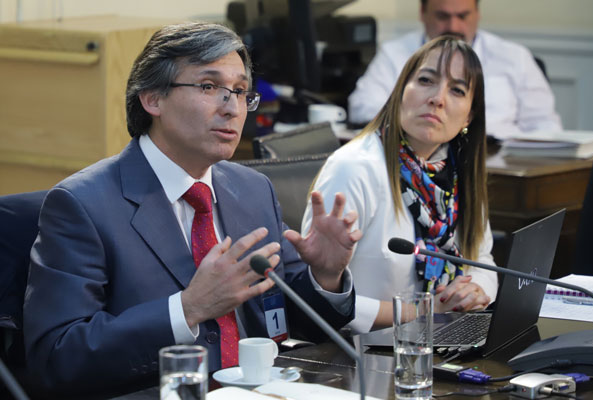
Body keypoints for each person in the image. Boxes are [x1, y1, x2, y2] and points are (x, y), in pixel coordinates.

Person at [23, 22, 361, 397]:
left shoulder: (252, 189)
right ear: (152, 99)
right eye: (209, 86)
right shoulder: (82, 204)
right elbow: (55, 360)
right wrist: (186, 309)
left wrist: (325, 277)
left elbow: (296, 322)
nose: (231, 108)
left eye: (239, 92)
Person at [302, 35, 498, 334]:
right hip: (364, 353)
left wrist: (475, 293)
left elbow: (483, 260)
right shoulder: (355, 168)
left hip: (446, 339)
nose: (438, 98)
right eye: (426, 80)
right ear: (400, 90)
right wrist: (424, 312)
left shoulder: (460, 174)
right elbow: (322, 300)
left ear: (469, 115)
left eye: (457, 90)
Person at [348, 0, 562, 140]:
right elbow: (362, 107)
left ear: (477, 14)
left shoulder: (515, 57)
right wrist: (424, 125)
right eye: (442, 16)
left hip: (500, 168)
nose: (454, 27)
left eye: (463, 16)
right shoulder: (395, 53)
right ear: (422, 13)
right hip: (418, 159)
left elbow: (546, 126)